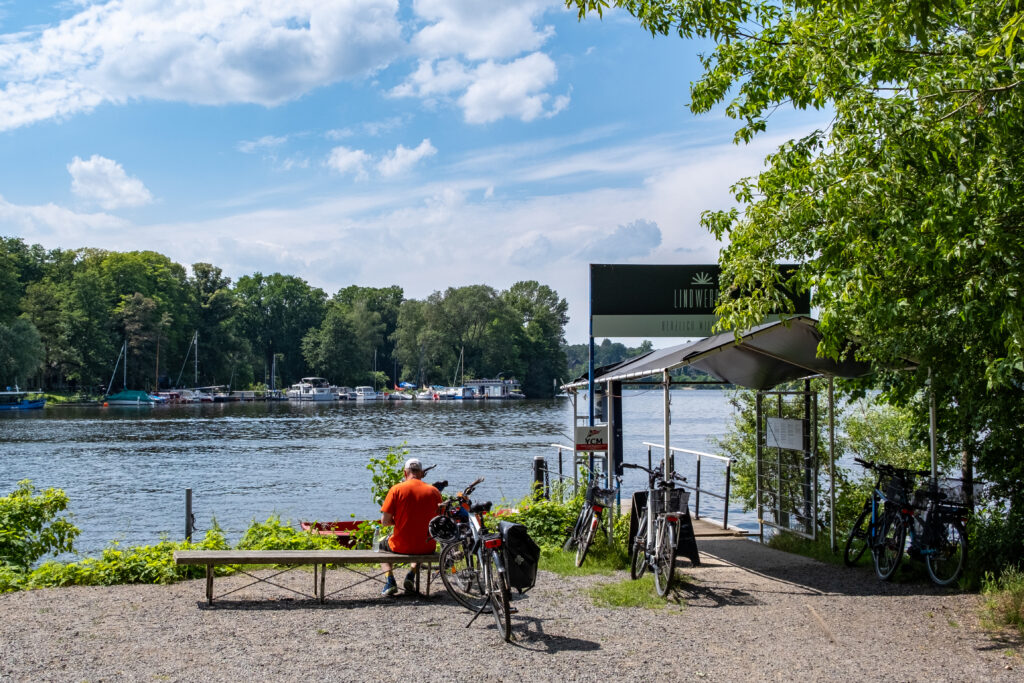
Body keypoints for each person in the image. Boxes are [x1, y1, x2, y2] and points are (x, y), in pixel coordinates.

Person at [378, 457, 443, 596]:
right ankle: (411, 575)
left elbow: (384, 521)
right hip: (427, 546)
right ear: (421, 473)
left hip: (401, 546)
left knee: (382, 546)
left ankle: (390, 581)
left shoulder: (396, 489)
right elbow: (440, 519)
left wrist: (399, 522)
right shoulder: (434, 492)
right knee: (419, 542)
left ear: (405, 473)